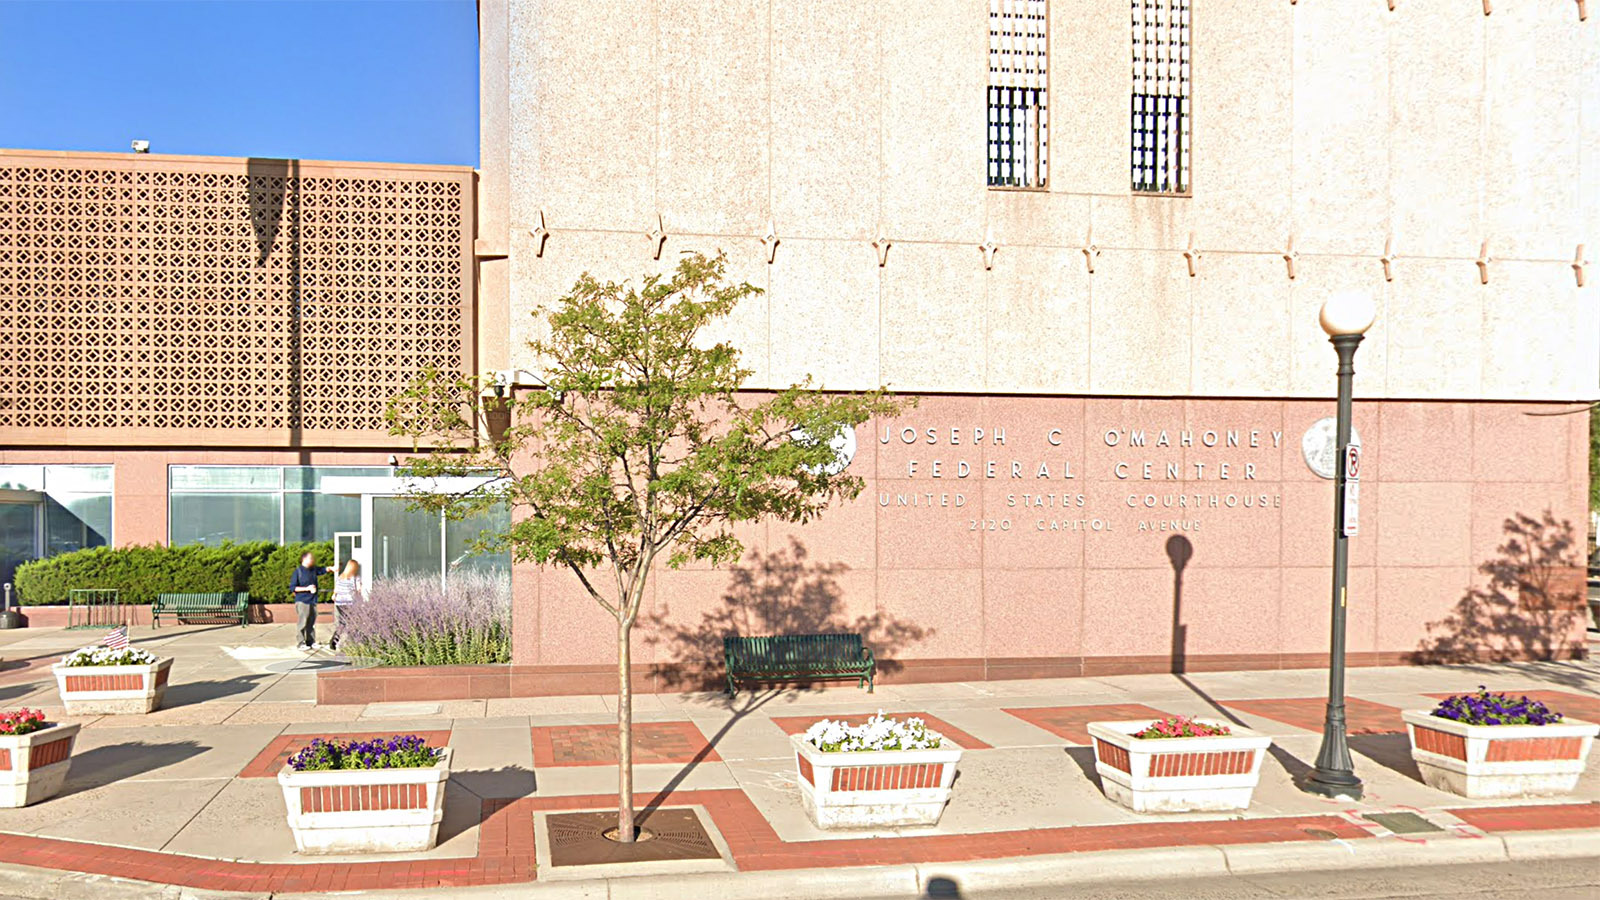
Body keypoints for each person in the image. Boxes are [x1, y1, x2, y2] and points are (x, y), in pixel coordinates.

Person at [289, 551, 333, 651]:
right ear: (304, 559)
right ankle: (300, 643)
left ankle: (311, 641)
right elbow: (293, 588)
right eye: (310, 558)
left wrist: (331, 568)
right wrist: (307, 588)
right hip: (302, 600)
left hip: (312, 600)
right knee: (303, 622)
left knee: (311, 622)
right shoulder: (298, 571)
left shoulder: (313, 570)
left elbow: (322, 570)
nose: (312, 560)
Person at [329, 558, 364, 652]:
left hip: (340, 603)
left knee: (343, 623)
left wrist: (334, 596)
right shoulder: (355, 578)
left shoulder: (341, 577)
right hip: (350, 603)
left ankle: (334, 641)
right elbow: (358, 590)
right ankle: (353, 641)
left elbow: (336, 590)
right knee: (352, 622)